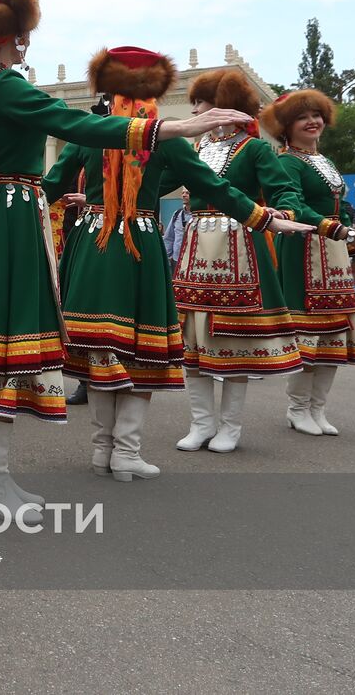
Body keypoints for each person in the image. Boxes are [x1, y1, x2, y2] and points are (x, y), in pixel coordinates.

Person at [0, 0, 253, 520]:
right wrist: (179, 126)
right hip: (10, 219)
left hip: (5, 215)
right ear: (15, 35)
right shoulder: (4, 85)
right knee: (5, 344)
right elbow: (77, 124)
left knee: (4, 347)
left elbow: (66, 142)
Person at [42, 49, 312, 481]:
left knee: (102, 349)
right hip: (139, 251)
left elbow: (47, 188)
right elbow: (215, 187)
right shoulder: (162, 139)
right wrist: (266, 219)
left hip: (92, 247)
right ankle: (124, 453)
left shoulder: (90, 135)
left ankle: (104, 449)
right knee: (140, 351)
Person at [172, 70, 322, 453]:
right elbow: (159, 182)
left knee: (232, 342)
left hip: (239, 249)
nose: (195, 109)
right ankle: (201, 423)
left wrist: (282, 215)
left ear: (225, 105)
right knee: (192, 341)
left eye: (201, 102)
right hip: (195, 251)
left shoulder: (254, 149)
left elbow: (285, 189)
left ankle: (230, 428)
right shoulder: (198, 147)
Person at [261, 91, 355, 437]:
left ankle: (317, 408)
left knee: (334, 333)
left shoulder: (323, 161)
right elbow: (294, 206)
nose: (313, 122)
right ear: (287, 126)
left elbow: (340, 209)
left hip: (335, 252)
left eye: (317, 115)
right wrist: (341, 231)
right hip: (303, 250)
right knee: (308, 332)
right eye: (303, 117)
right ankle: (297, 408)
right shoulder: (286, 162)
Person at [162, 190, 192, 275]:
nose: (184, 195)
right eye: (182, 193)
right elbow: (169, 237)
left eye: (187, 193)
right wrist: (166, 257)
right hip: (176, 259)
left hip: (193, 259)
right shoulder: (177, 214)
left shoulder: (199, 216)